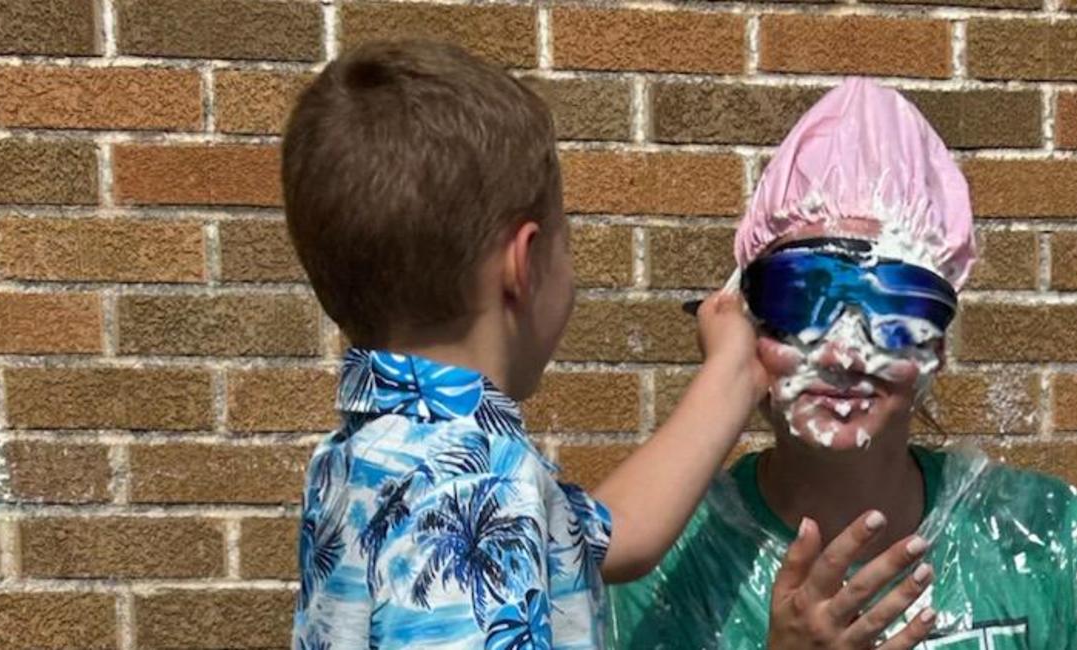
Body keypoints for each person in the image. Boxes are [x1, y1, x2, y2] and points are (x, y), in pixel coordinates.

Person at [608, 79, 1077, 649]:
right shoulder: (665, 570)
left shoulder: (1049, 544)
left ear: (936, 348)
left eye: (896, 311)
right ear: (745, 323)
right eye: (800, 299)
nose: (843, 354)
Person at [281, 40, 778, 649]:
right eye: (567, 241)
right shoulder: (472, 497)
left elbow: (618, 536)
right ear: (525, 263)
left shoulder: (360, 458)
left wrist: (734, 372)